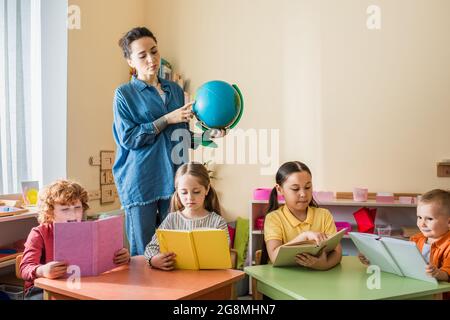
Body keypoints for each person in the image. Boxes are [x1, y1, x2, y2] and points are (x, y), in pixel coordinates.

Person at [113, 27, 224, 256]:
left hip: (175, 181)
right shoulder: (124, 94)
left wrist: (208, 135)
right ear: (130, 60)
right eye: (142, 55)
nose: (151, 59)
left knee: (175, 248)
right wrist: (167, 119)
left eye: (154, 51)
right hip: (140, 181)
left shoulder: (174, 90)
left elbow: (180, 138)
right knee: (143, 253)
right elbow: (129, 138)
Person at [19, 180, 130, 298]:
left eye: (77, 207)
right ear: (50, 212)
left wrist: (124, 256)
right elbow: (25, 268)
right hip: (42, 289)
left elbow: (109, 257)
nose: (73, 214)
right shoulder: (39, 233)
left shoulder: (90, 230)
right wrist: (42, 270)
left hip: (80, 285)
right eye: (65, 209)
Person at [144, 162, 229, 270]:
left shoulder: (218, 222)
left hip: (209, 279)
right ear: (177, 192)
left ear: (206, 189)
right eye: (184, 192)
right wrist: (153, 260)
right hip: (177, 280)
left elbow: (224, 253)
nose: (190, 198)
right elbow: (151, 248)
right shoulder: (171, 219)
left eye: (196, 192)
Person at [359, 189, 450, 285]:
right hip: (415, 285)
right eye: (419, 217)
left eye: (430, 219)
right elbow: (400, 263)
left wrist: (437, 273)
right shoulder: (415, 239)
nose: (422, 224)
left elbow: (447, 274)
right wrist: (372, 258)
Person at [262, 161, 342, 270]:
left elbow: (337, 252)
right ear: (280, 189)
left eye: (308, 187)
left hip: (316, 279)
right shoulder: (273, 218)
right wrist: (303, 237)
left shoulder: (324, 215)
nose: (303, 194)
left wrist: (324, 265)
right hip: (283, 280)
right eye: (295, 189)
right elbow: (274, 257)